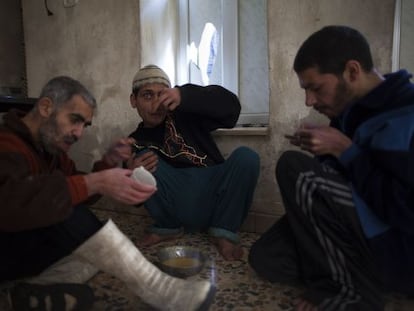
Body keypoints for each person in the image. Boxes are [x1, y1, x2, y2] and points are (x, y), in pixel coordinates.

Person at [0, 76, 215, 311]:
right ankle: (159, 289)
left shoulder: (51, 150)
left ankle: (26, 294)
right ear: (45, 107)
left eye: (85, 125)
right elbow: (9, 204)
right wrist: (92, 182)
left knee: (94, 253)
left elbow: (80, 194)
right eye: (75, 120)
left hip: (24, 248)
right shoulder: (7, 144)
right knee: (69, 213)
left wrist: (108, 164)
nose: (79, 133)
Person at [248, 25, 414, 310]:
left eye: (315, 88)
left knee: (293, 167)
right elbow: (341, 185)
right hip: (364, 235)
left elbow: (406, 211)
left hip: (399, 247)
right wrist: (326, 152)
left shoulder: (406, 111)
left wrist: (344, 150)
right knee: (266, 258)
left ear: (352, 71)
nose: (309, 101)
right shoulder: (350, 111)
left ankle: (355, 292)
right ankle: (353, 274)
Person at [127, 64, 260, 260]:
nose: (156, 104)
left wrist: (184, 95)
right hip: (177, 205)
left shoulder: (185, 112)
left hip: (213, 193)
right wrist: (132, 174)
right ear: (133, 100)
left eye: (160, 95)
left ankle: (223, 231)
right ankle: (167, 228)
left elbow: (232, 110)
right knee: (142, 161)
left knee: (247, 157)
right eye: (147, 96)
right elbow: (135, 201)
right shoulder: (134, 142)